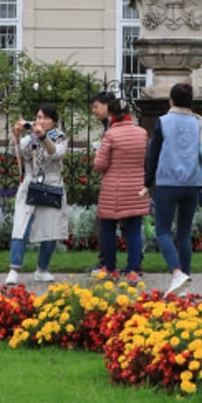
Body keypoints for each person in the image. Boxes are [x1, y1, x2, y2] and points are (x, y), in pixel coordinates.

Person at [144, 82, 202, 295]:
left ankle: (177, 273)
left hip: (168, 181)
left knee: (163, 230)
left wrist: (147, 183)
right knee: (184, 234)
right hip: (193, 182)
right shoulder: (199, 123)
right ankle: (184, 282)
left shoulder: (163, 122)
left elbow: (153, 155)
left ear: (171, 100)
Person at [4, 105, 68, 286]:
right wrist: (16, 136)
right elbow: (16, 155)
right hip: (30, 184)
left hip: (52, 184)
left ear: (53, 121)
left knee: (51, 229)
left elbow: (55, 153)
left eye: (45, 118)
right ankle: (14, 269)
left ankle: (42, 269)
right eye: (38, 117)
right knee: (21, 226)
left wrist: (42, 136)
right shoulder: (28, 138)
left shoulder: (60, 136)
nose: (40, 121)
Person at [92, 97, 149, 276]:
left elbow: (100, 165)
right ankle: (134, 269)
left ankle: (110, 268)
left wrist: (97, 154)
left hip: (113, 190)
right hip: (136, 188)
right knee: (133, 230)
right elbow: (146, 159)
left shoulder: (111, 134)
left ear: (112, 113)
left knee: (108, 228)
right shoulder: (142, 133)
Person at [87, 91, 116, 272]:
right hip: (123, 181)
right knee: (128, 224)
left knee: (105, 222)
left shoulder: (113, 127)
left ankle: (106, 263)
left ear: (108, 106)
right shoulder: (109, 125)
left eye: (97, 107)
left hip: (114, 181)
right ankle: (134, 264)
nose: (94, 111)